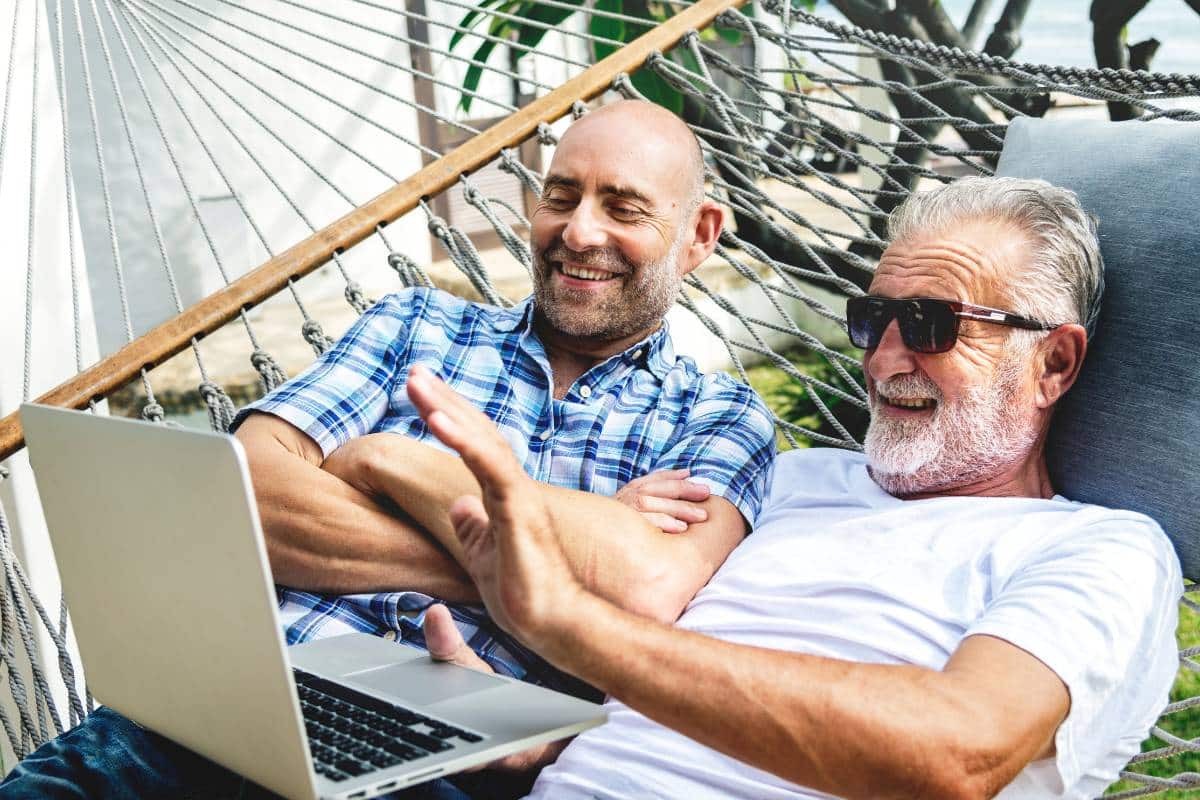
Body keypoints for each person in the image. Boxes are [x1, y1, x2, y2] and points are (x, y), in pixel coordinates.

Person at [0, 99, 774, 798]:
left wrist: (392, 462)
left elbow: (645, 588)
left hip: (442, 762)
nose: (577, 231)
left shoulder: (719, 418)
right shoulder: (417, 326)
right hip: (223, 704)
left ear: (698, 235)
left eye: (624, 207)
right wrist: (550, 563)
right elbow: (242, 500)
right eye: (561, 195)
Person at [407, 175, 1183, 799]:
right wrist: (544, 742)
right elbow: (672, 687)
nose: (883, 360)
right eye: (875, 318)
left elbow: (957, 754)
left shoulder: (1103, 550)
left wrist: (568, 625)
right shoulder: (781, 480)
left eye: (932, 325)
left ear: (1053, 364)